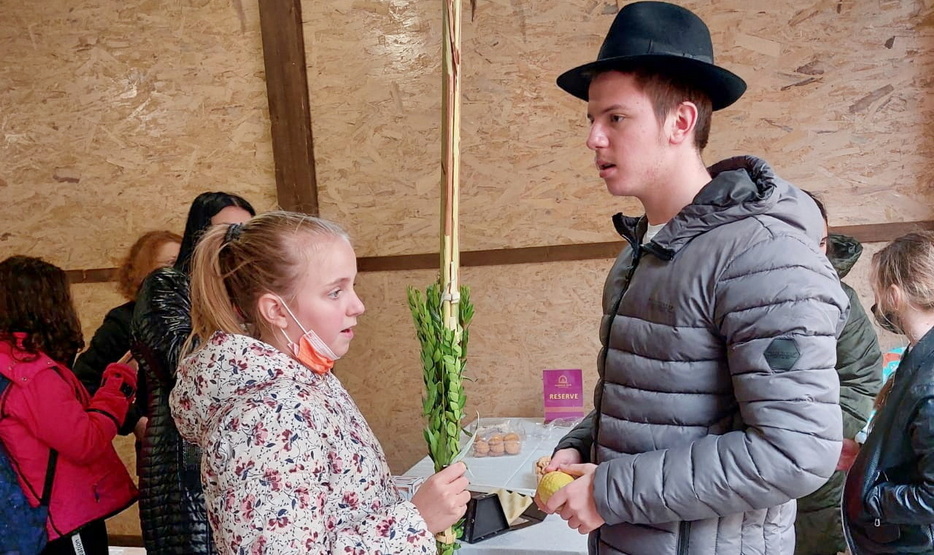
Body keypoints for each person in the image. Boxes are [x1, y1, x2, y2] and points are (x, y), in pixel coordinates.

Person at [536, 3, 850, 554]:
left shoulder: (766, 256)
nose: (593, 139)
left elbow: (794, 452)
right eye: (591, 119)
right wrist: (582, 443)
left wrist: (610, 491)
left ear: (680, 122)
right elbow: (657, 400)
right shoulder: (643, 251)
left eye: (616, 118)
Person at [168, 211, 470, 553]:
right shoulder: (268, 417)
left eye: (352, 287)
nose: (358, 306)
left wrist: (406, 499)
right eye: (335, 292)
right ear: (276, 311)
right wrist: (416, 521)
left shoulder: (305, 382)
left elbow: (332, 503)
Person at [130, 192, 255, 555]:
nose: (236, 241)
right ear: (201, 235)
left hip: (246, 457)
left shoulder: (254, 293)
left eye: (248, 232)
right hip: (183, 459)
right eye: (227, 230)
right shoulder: (167, 284)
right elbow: (182, 365)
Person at [0, 256, 138, 555]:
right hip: (60, 521)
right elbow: (84, 441)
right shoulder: (32, 374)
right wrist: (119, 384)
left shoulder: (9, 363)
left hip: (27, 519)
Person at [792, 194, 882, 554]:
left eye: (822, 240)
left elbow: (861, 379)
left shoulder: (841, 301)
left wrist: (822, 435)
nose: (815, 250)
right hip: (744, 463)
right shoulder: (738, 291)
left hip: (818, 466)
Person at [842, 231, 934, 554]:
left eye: (878, 292)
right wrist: (866, 459)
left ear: (894, 296)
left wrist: (873, 498)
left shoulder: (928, 383)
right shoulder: (917, 356)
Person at [73, 230, 182, 440]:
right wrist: (134, 420)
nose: (180, 272)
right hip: (160, 445)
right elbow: (86, 381)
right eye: (171, 263)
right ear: (145, 271)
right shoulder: (125, 321)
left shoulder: (203, 316)